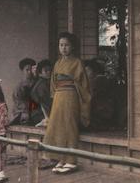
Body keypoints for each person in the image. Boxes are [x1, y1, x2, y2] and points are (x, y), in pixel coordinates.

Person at [43, 32, 91, 174]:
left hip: (71, 96)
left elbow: (83, 83)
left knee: (69, 126)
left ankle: (71, 160)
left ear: (73, 47)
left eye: (67, 45)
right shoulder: (58, 63)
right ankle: (60, 158)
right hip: (59, 96)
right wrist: (55, 93)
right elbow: (53, 82)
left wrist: (71, 83)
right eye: (61, 45)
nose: (64, 48)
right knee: (57, 126)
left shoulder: (77, 62)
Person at [84, 59, 115, 131]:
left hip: (102, 112)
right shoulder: (89, 82)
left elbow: (94, 97)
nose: (85, 74)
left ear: (94, 72)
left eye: (87, 71)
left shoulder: (100, 80)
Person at [9, 57, 36, 125]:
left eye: (31, 70)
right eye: (27, 70)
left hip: (35, 111)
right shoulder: (19, 87)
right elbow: (18, 102)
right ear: (23, 71)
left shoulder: (37, 83)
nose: (29, 72)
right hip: (22, 113)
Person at [30, 59, 53, 126]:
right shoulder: (41, 85)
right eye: (46, 70)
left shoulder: (45, 82)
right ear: (40, 72)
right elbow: (44, 103)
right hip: (38, 114)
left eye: (50, 70)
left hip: (40, 112)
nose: (49, 72)